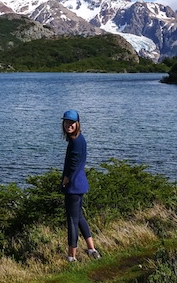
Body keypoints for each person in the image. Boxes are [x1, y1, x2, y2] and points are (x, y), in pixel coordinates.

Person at [61, 109, 100, 261]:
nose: (68, 125)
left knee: (72, 220)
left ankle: (72, 256)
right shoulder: (78, 139)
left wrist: (65, 180)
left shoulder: (76, 141)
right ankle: (91, 249)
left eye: (71, 122)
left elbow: (73, 164)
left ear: (77, 124)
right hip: (80, 184)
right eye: (66, 122)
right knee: (79, 217)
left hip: (73, 186)